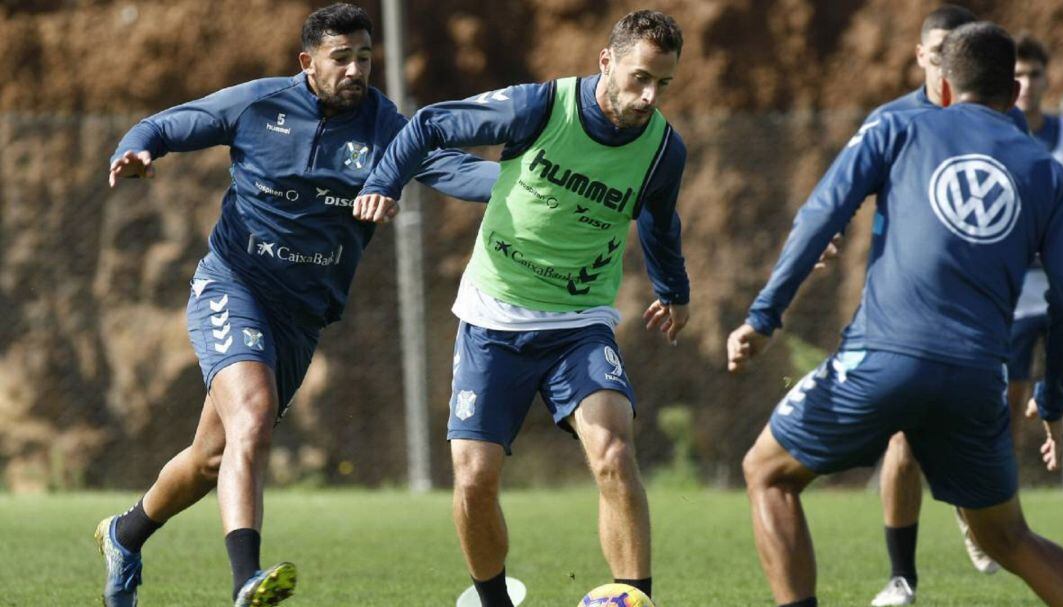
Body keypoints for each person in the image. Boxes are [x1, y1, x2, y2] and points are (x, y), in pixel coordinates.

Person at [96, 4, 497, 606]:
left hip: (301, 317)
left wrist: (529, 190)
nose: (356, 69)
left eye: (365, 57)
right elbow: (166, 125)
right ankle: (246, 582)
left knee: (211, 458)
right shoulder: (259, 105)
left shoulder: (387, 127)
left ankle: (125, 534)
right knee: (251, 418)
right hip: (234, 285)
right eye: (342, 58)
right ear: (307, 63)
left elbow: (452, 169)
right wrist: (136, 150)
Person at [728, 22, 1063, 607]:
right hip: (978, 377)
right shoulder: (1051, 174)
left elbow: (819, 217)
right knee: (1008, 538)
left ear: (943, 82)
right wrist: (1056, 394)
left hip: (882, 357)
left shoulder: (899, 125)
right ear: (1013, 93)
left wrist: (764, 317)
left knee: (768, 473)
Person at [355, 10, 690, 607]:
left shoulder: (663, 149)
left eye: (662, 85)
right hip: (493, 320)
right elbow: (430, 124)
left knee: (614, 451)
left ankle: (634, 601)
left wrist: (674, 290)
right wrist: (385, 181)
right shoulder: (539, 107)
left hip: (579, 323)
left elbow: (659, 220)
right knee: (475, 479)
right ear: (605, 61)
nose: (648, 97)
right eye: (640, 78)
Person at [853, 6, 1031, 604]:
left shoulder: (1007, 123)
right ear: (920, 55)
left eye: (949, 53)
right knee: (903, 438)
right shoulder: (893, 120)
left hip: (977, 312)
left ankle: (973, 512)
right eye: (932, 53)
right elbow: (845, 191)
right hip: (903, 307)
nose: (939, 63)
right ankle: (902, 576)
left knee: (979, 423)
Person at [1007, 33, 1063, 447]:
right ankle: (998, 503)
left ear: (1047, 79)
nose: (1027, 83)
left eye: (1034, 74)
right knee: (1008, 403)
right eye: (1018, 74)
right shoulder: (996, 139)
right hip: (1014, 293)